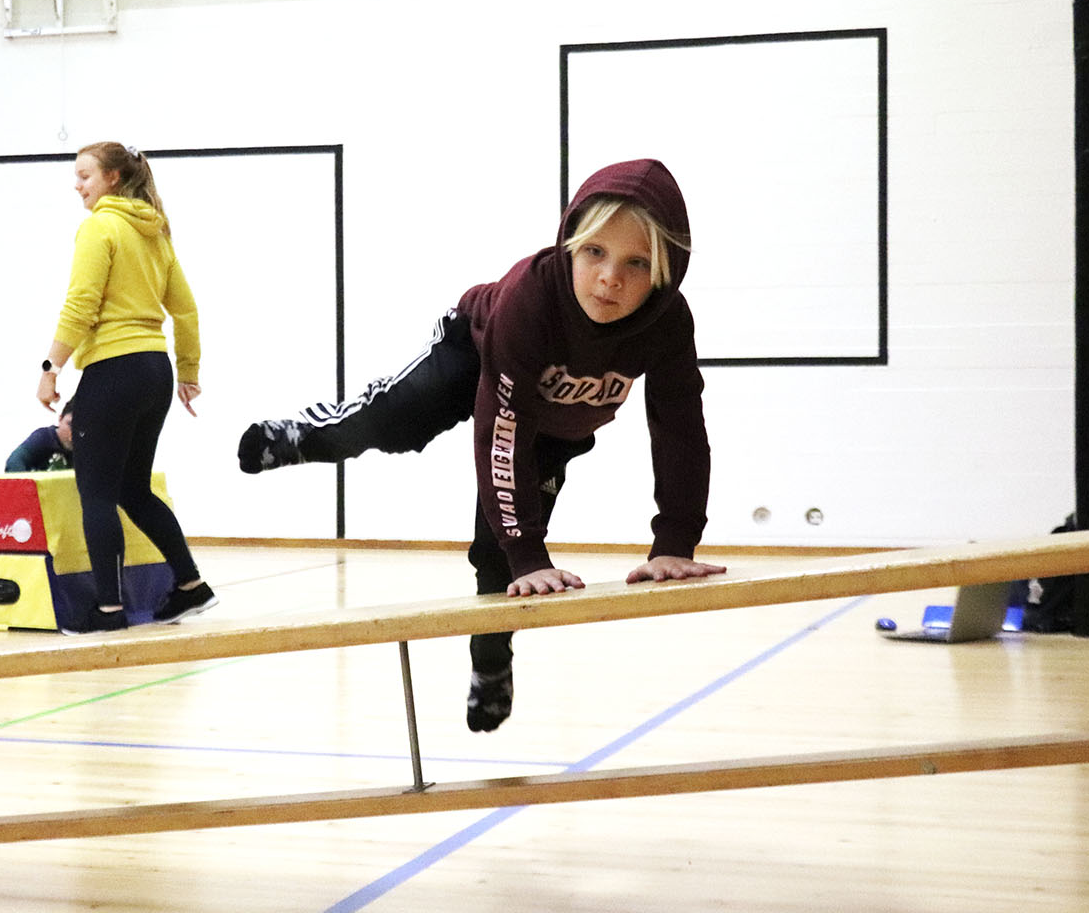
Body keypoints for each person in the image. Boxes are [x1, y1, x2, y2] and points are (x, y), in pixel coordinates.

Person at [237, 158, 724, 731]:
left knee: (496, 561)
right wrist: (530, 549)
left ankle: (491, 665)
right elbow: (502, 429)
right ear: (570, 244)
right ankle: (306, 436)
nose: (610, 277)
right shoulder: (531, 297)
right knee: (396, 421)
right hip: (474, 354)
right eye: (595, 252)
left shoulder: (667, 323)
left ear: (666, 274)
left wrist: (675, 541)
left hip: (556, 423)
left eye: (636, 263)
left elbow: (680, 426)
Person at [35, 141, 216, 633]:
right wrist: (188, 371)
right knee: (133, 488)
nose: (77, 184)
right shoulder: (155, 231)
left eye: (85, 175)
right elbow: (186, 309)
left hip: (114, 371)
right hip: (154, 371)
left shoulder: (100, 227)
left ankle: (108, 610)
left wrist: (51, 367)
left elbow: (81, 305)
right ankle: (190, 586)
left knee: (96, 492)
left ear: (113, 178)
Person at [5, 399, 75, 472]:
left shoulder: (85, 444)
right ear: (60, 419)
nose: (73, 432)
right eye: (70, 425)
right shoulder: (44, 437)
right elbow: (14, 461)